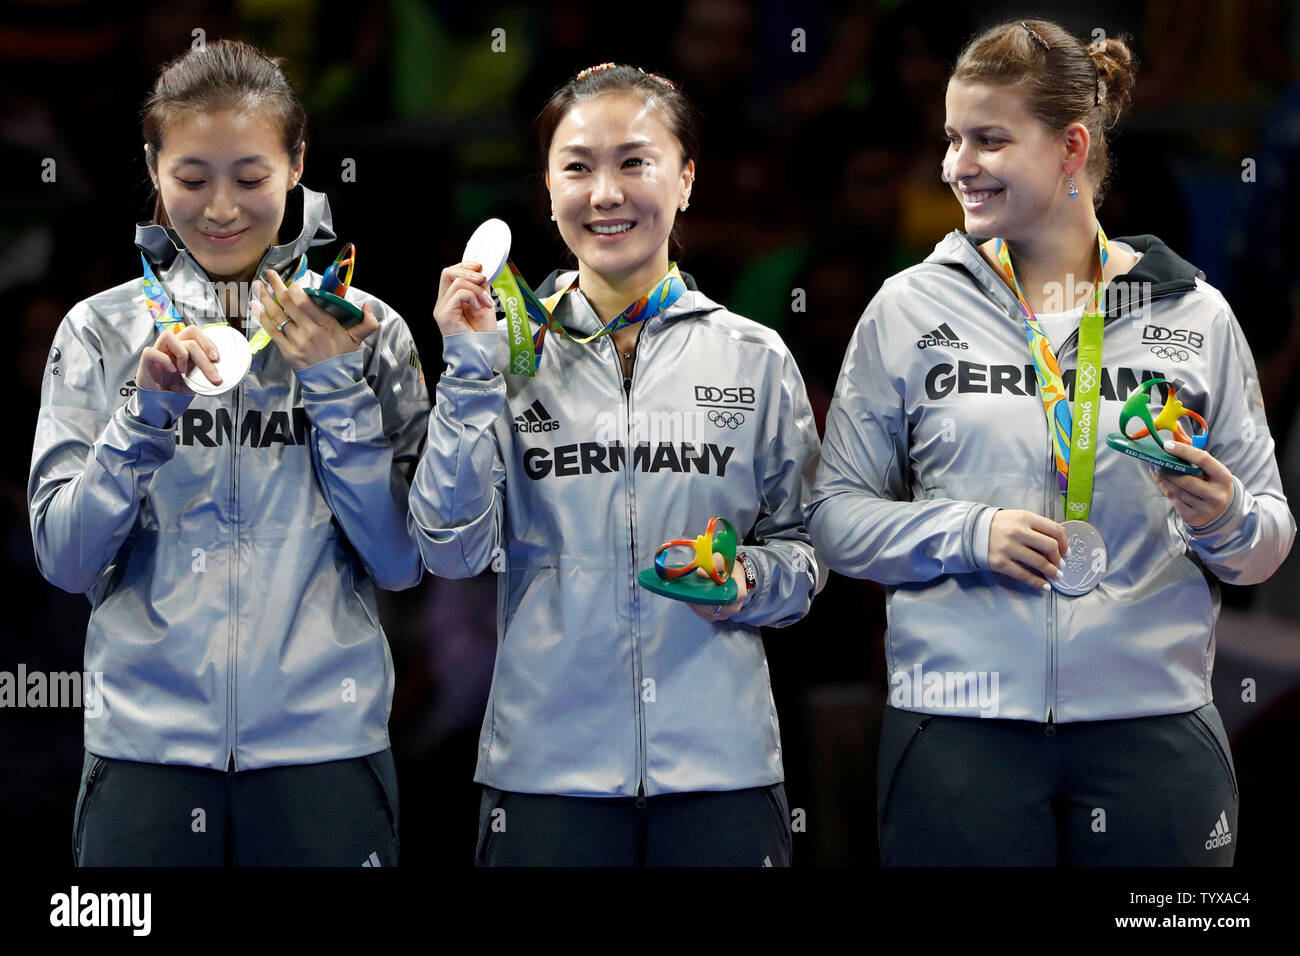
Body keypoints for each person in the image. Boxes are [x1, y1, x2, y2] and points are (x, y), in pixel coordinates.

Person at [808, 19, 1295, 865]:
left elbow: (1266, 547)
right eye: (954, 138)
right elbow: (835, 520)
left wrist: (1225, 518)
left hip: (1155, 729)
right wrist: (966, 533)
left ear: (1071, 147)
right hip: (958, 727)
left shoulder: (1193, 312)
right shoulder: (908, 309)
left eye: (990, 139)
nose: (958, 164)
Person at [28, 39, 429, 865]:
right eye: (191, 178)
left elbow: (400, 562)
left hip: (327, 750)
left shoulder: (370, 330)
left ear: (298, 164)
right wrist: (143, 421)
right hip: (146, 755)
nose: (219, 208)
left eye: (250, 179)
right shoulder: (99, 332)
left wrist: (335, 388)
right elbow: (65, 560)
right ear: (152, 167)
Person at [408, 63, 820, 866]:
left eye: (635, 162)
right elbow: (446, 549)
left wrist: (750, 584)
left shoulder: (754, 357)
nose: (606, 193)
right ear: (548, 187)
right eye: (578, 166)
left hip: (722, 770)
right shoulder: (502, 355)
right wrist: (465, 368)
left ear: (687, 179)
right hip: (544, 775)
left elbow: (807, 554)